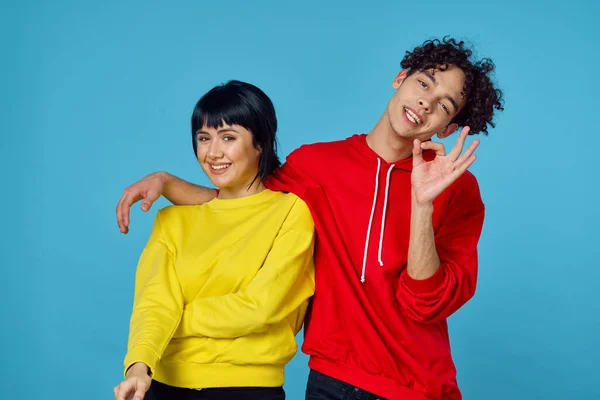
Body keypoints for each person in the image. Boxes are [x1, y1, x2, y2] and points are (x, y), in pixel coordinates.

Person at [116, 37, 504, 400]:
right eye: (424, 84)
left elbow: (424, 304)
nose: (426, 103)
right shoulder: (315, 165)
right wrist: (166, 182)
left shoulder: (457, 189)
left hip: (417, 385)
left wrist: (422, 206)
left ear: (449, 127)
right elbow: (243, 196)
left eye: (444, 105)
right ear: (400, 79)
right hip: (330, 381)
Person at [113, 80, 316, 400]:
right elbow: (153, 305)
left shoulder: (291, 213)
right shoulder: (172, 220)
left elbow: (259, 308)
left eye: (228, 137)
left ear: (260, 142)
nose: (213, 152)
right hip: (161, 384)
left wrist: (176, 317)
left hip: (246, 388)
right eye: (204, 138)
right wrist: (138, 367)